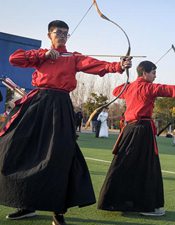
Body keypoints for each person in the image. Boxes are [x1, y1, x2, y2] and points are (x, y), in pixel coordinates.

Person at [0, 20, 132, 225]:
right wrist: (41, 55)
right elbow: (14, 58)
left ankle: (57, 211)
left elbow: (97, 65)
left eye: (65, 33)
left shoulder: (74, 57)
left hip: (60, 106)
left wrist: (119, 65)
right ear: (49, 35)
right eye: (58, 32)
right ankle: (26, 204)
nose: (62, 35)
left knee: (59, 155)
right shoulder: (41, 55)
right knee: (20, 148)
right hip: (37, 104)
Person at [97, 61, 175, 216]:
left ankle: (116, 201)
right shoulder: (147, 87)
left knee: (124, 163)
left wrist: (128, 83)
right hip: (142, 130)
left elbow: (115, 91)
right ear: (145, 73)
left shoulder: (130, 87)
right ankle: (146, 206)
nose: (155, 75)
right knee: (147, 166)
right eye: (153, 72)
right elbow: (165, 89)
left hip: (130, 130)